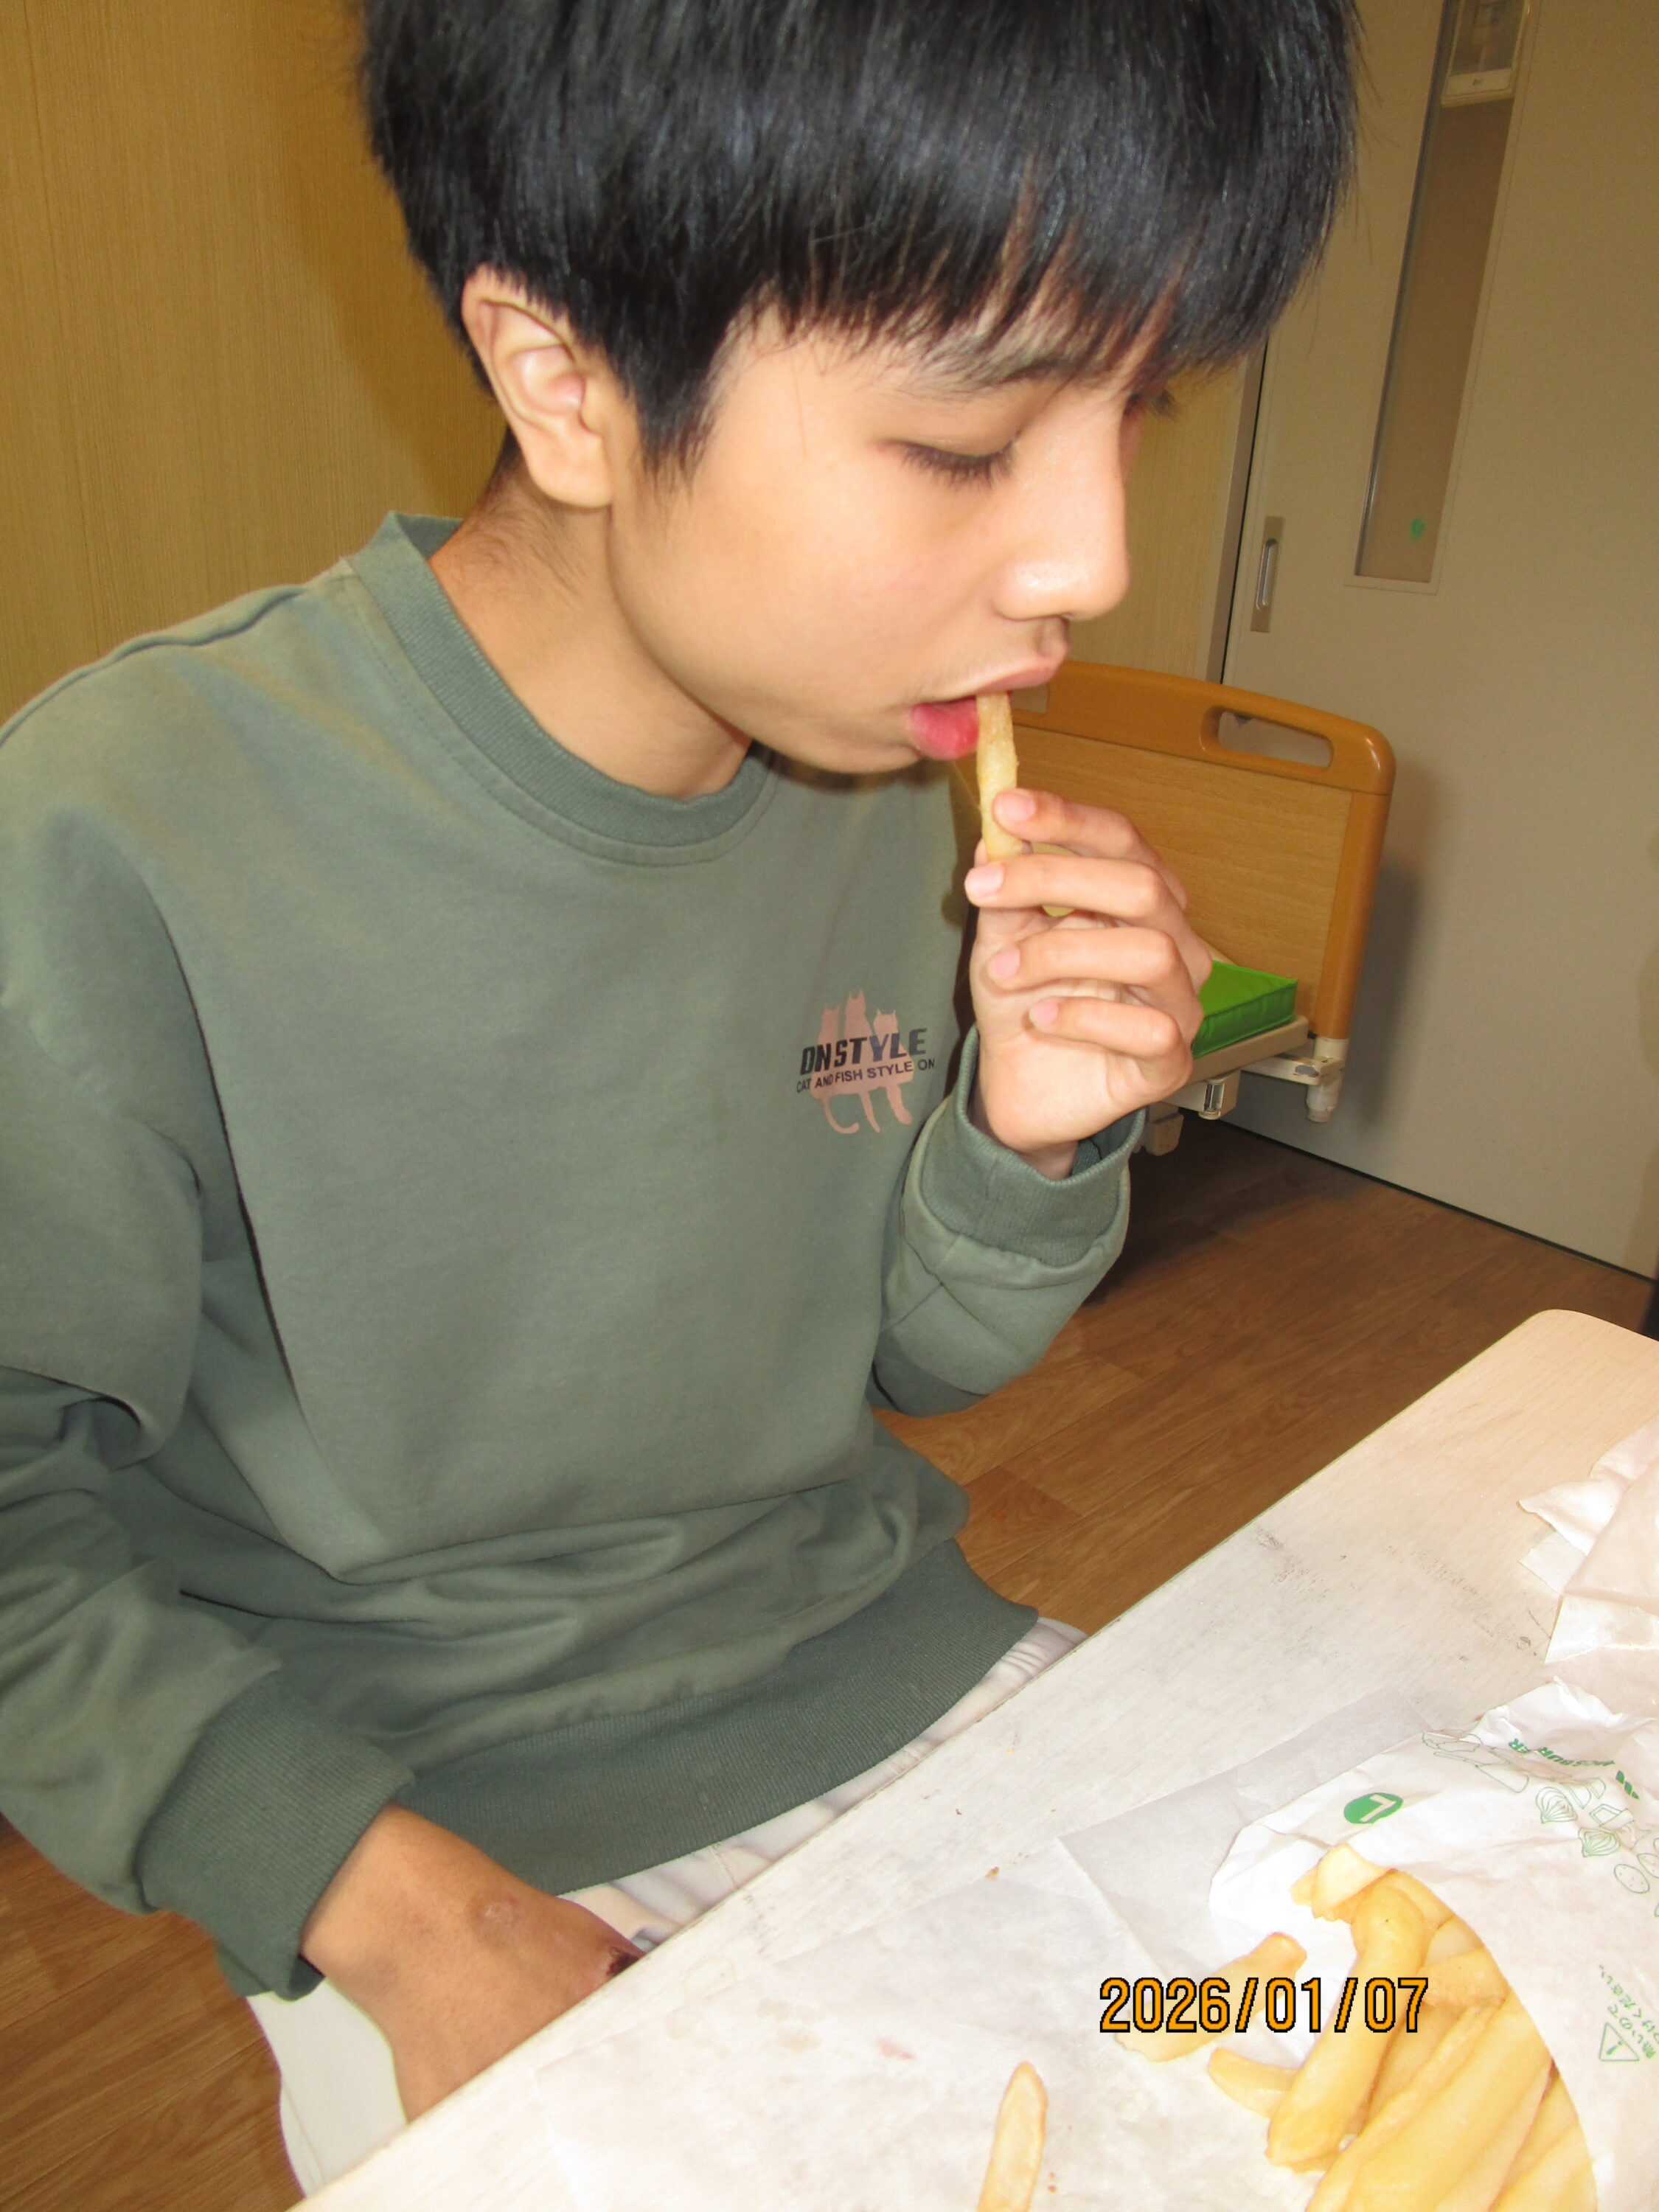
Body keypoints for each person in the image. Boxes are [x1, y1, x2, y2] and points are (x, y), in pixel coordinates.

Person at [0, 0, 1355, 2189]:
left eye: (1133, 408)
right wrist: (421, 1926)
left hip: (904, 1676)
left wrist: (1022, 1144)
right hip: (433, 1837)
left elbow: (914, 1361)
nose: (1089, 563)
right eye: (967, 441)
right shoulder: (117, 830)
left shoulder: (881, 768)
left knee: (1384, 2024)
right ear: (567, 381)